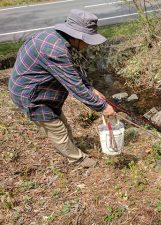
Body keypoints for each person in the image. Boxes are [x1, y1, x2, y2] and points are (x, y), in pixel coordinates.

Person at [8, 9, 116, 168]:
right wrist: (103, 107)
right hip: (31, 96)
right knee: (57, 129)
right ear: (77, 36)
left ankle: (71, 146)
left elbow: (72, 70)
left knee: (61, 121)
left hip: (38, 88)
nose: (87, 45)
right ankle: (78, 160)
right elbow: (75, 86)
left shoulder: (54, 37)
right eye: (86, 40)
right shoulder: (55, 51)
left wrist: (91, 89)